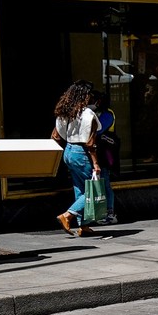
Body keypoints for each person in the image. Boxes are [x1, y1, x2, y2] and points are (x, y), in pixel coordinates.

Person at [51, 80, 103, 235]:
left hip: (69, 151)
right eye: (89, 94)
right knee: (92, 190)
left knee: (80, 188)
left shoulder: (65, 111)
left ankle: (84, 226)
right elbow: (91, 143)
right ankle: (68, 215)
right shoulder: (89, 114)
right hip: (82, 153)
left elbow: (55, 135)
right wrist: (96, 163)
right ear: (85, 95)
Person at [91, 91, 120, 225]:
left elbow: (98, 130)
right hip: (97, 151)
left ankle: (110, 212)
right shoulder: (99, 113)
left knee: (105, 183)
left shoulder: (108, 114)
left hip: (104, 153)